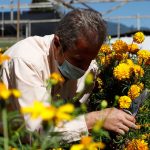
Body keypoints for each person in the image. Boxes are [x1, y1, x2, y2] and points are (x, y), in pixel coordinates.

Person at [1, 8, 137, 142]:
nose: (84, 68)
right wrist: (96, 119)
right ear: (56, 44)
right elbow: (37, 132)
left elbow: (74, 116)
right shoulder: (26, 61)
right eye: (78, 60)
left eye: (90, 60)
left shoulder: (89, 68)